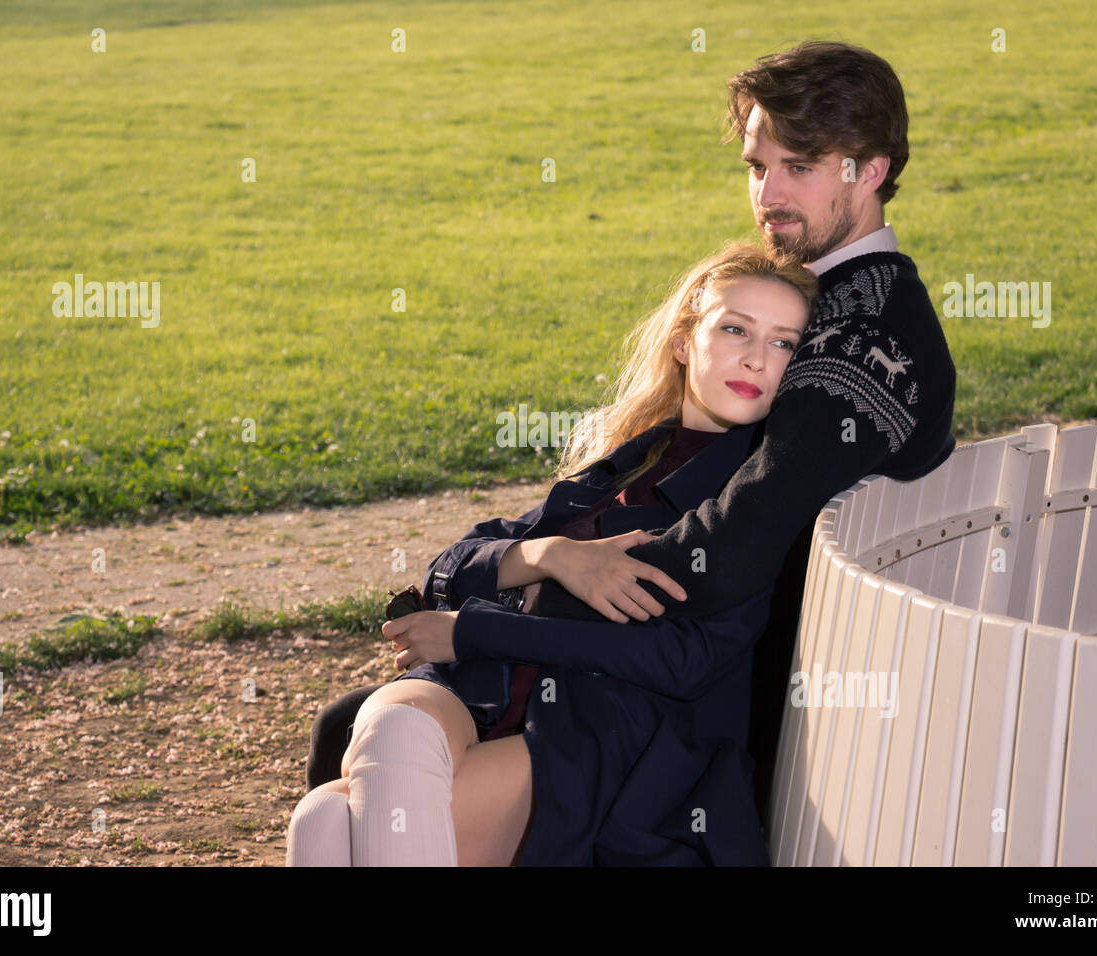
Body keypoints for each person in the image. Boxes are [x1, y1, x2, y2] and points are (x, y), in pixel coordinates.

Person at [303, 40, 958, 824]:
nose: (769, 194)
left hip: (738, 712)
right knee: (354, 731)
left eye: (800, 167)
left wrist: (510, 605)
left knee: (365, 760)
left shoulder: (863, 333)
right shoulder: (823, 300)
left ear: (872, 170)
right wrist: (543, 560)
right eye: (758, 166)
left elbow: (729, 549)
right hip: (696, 667)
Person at [286, 242, 817, 865]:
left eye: (783, 342)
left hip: (597, 729)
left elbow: (683, 659)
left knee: (328, 822)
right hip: (479, 690)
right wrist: (550, 556)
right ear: (683, 341)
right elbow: (450, 566)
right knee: (382, 744)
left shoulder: (753, 493)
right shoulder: (628, 458)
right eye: (735, 329)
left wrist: (477, 630)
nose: (756, 357)